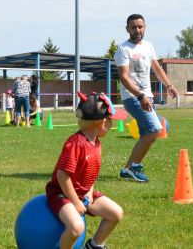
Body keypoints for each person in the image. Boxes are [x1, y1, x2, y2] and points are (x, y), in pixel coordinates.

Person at [45, 92, 127, 249]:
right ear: (100, 122)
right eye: (111, 121)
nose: (112, 125)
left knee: (116, 213)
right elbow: (62, 175)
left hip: (84, 193)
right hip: (61, 193)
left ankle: (95, 245)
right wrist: (75, 202)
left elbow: (90, 173)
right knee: (76, 228)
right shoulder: (76, 144)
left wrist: (89, 192)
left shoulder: (95, 143)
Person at [114, 14, 179, 183]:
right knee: (155, 130)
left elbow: (157, 69)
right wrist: (140, 95)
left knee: (146, 135)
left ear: (145, 27)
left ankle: (128, 169)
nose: (137, 30)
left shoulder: (148, 46)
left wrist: (169, 85)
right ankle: (135, 167)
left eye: (140, 27)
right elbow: (124, 78)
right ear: (127, 29)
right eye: (134, 27)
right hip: (133, 97)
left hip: (147, 97)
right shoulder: (123, 49)